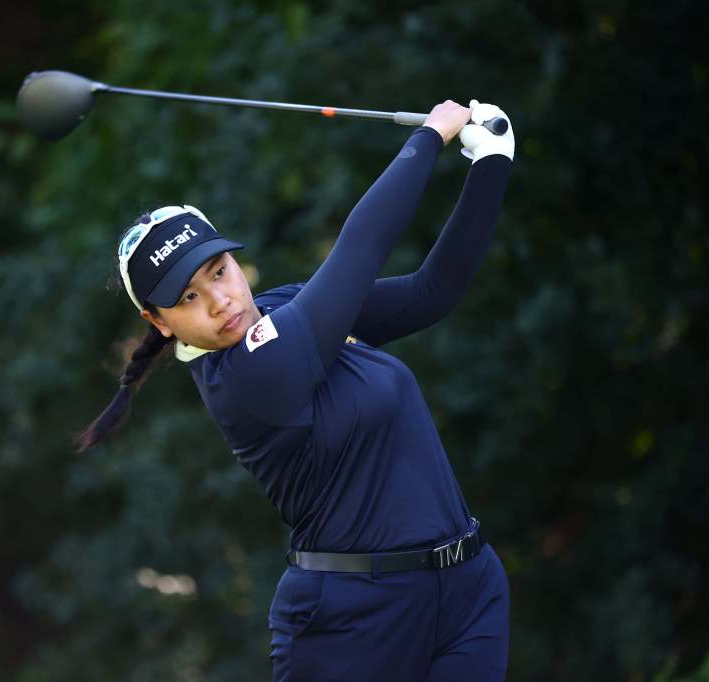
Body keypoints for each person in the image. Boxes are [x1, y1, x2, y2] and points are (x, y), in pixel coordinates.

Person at [78, 98, 515, 681]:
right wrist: (430, 136)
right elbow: (360, 249)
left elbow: (429, 293)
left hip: (466, 592)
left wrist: (492, 163)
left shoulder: (284, 307)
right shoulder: (243, 376)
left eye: (218, 272)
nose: (220, 301)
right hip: (352, 625)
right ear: (159, 323)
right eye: (187, 298)